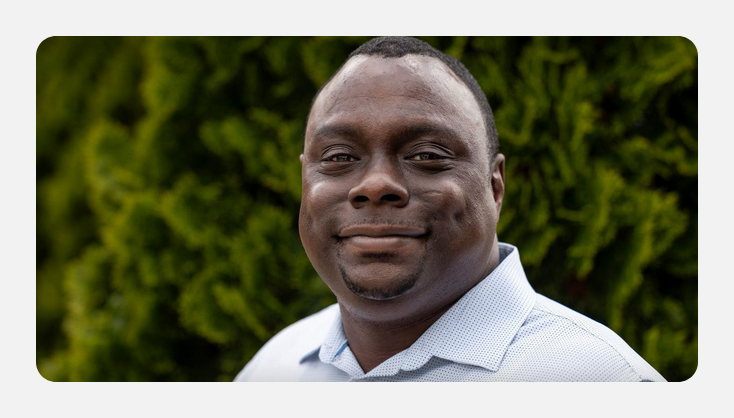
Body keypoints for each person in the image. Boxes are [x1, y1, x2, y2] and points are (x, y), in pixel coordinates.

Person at [234, 37, 665, 382]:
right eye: (339, 157)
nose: (375, 185)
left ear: (495, 187)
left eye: (426, 155)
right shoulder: (274, 369)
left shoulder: (600, 382)